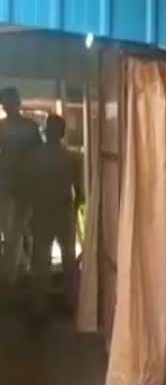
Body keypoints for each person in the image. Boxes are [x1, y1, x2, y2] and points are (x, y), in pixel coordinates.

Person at [26, 114, 81, 319]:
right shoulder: (71, 157)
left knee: (41, 259)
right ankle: (71, 302)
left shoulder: (34, 156)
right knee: (68, 259)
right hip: (63, 210)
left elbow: (27, 187)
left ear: (47, 130)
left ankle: (39, 305)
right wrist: (75, 209)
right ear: (62, 132)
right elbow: (79, 190)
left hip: (42, 210)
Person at [0, 87, 42, 285]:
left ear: (17, 102)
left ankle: (15, 274)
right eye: (3, 102)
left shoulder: (29, 127)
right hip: (7, 184)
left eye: (8, 101)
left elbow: (37, 156)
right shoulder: (4, 127)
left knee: (18, 230)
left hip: (23, 185)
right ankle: (17, 270)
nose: (6, 105)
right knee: (13, 230)